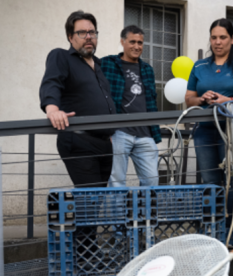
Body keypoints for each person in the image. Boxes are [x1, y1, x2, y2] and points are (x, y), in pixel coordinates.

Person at [40, 11, 117, 187]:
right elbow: (52, 82)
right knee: (89, 201)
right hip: (80, 140)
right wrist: (52, 109)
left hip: (105, 144)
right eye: (82, 32)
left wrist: (109, 133)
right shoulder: (61, 56)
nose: (89, 37)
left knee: (95, 201)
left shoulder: (98, 66)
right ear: (70, 37)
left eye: (92, 32)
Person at [185, 18, 233, 186]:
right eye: (213, 38)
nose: (217, 42)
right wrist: (201, 99)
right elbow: (189, 99)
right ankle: (214, 213)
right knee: (210, 181)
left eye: (223, 37)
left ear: (232, 39)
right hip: (204, 131)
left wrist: (230, 101)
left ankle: (232, 213)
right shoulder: (199, 66)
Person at [100, 25, 161, 187]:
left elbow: (151, 101)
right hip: (119, 132)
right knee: (117, 181)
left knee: (152, 180)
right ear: (122, 42)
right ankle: (118, 214)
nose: (136, 46)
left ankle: (146, 213)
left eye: (140, 43)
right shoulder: (107, 64)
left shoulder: (148, 69)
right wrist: (106, 129)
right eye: (132, 42)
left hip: (145, 133)